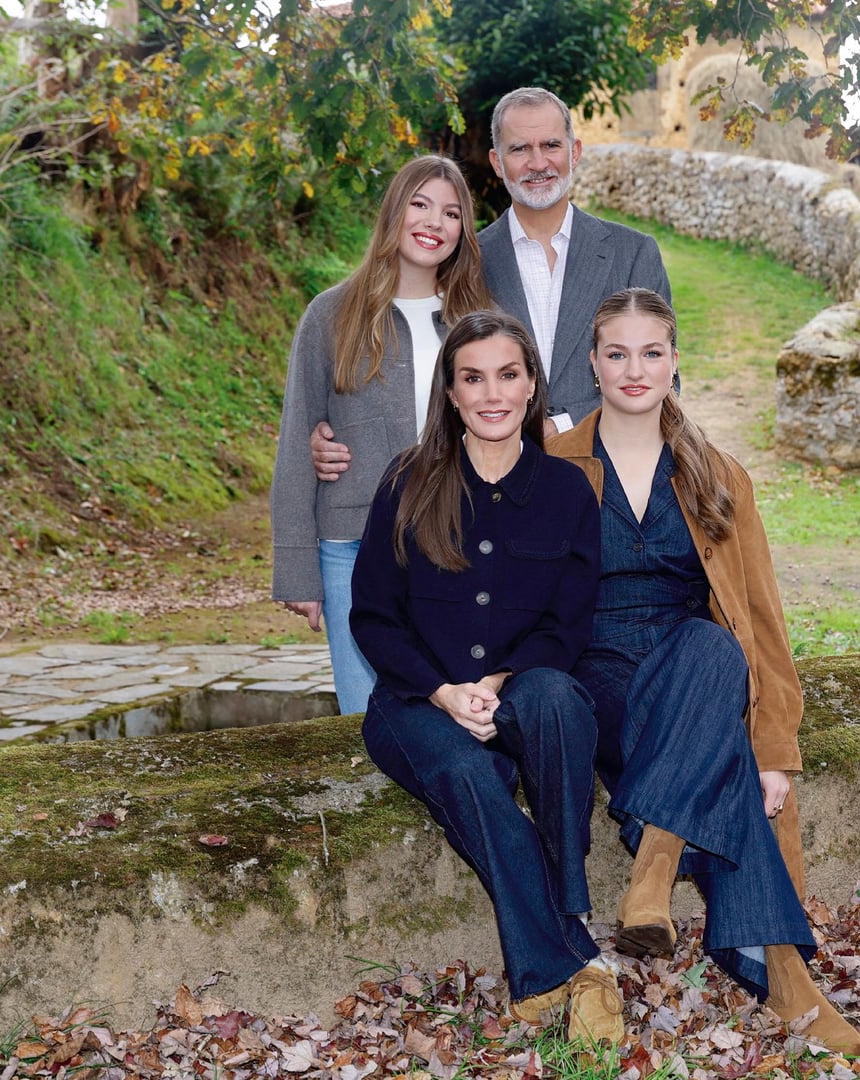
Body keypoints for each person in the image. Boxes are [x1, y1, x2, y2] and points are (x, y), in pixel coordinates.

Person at [548, 288, 860, 1055]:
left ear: (674, 362)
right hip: (599, 677)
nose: (635, 369)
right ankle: (784, 974)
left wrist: (775, 749)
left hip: (695, 670)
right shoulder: (554, 467)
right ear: (593, 364)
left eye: (651, 352)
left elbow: (761, 620)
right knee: (718, 747)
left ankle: (655, 870)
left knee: (715, 650)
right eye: (617, 353)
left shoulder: (716, 473)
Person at [349, 310, 624, 1045]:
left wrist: (499, 681)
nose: (492, 393)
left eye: (508, 375)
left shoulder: (568, 491)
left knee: (558, 698)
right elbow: (373, 618)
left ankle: (565, 906)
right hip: (415, 700)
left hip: (518, 691)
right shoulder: (407, 482)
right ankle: (570, 958)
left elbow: (568, 625)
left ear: (532, 385)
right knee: (468, 774)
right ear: (450, 391)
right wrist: (443, 692)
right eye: (473, 378)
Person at [308, 85, 672, 481]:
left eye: (551, 145)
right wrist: (340, 427)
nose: (538, 162)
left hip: (612, 477)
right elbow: (419, 358)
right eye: (519, 149)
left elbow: (667, 381)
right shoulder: (463, 262)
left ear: (575, 152)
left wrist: (563, 425)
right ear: (497, 162)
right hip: (491, 487)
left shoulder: (633, 254)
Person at [270, 155, 492, 713]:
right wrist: (297, 571)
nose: (434, 222)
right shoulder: (330, 315)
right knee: (366, 716)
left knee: (452, 715)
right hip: (352, 547)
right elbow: (297, 443)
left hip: (458, 542)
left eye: (451, 213)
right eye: (420, 204)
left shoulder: (479, 321)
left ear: (463, 230)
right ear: (394, 211)